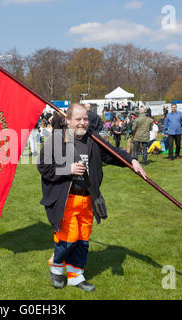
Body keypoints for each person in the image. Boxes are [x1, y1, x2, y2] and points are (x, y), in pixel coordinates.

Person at [37, 103, 146, 292]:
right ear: (68, 120)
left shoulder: (93, 140)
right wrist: (67, 169)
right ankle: (56, 267)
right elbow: (43, 167)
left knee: (82, 240)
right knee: (68, 239)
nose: (82, 122)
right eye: (78, 119)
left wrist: (132, 161)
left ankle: (75, 276)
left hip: (88, 200)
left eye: (85, 119)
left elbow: (114, 154)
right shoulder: (57, 139)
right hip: (65, 200)